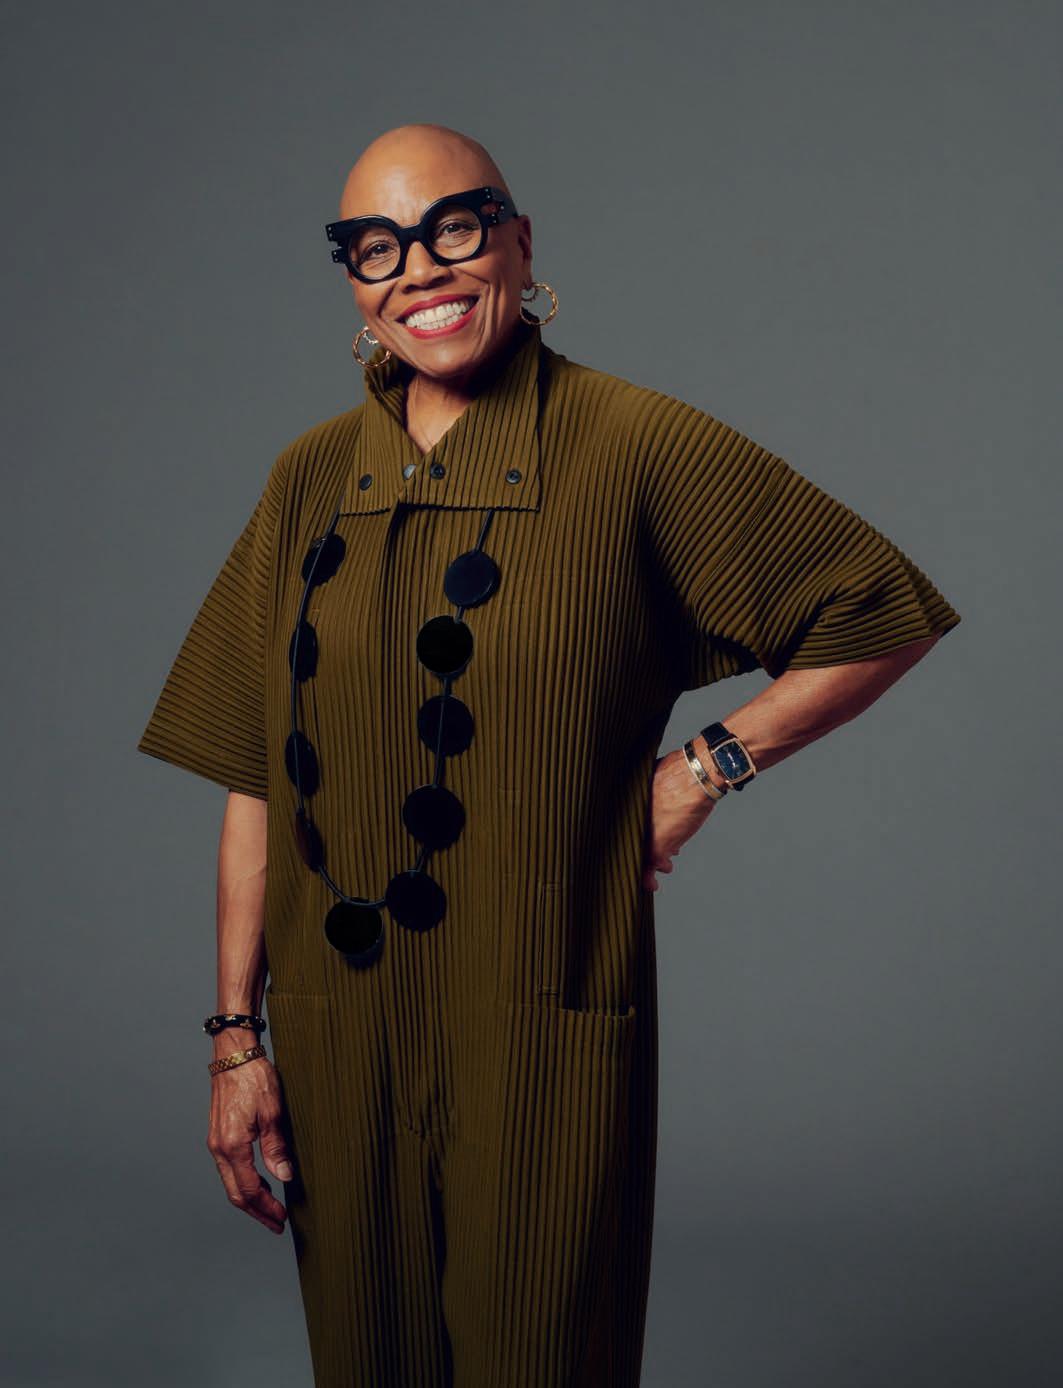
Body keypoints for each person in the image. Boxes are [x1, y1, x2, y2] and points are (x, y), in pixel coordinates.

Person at [136, 122, 961, 1388]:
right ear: (353, 282)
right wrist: (235, 1041)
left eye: (452, 228)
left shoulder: (630, 444)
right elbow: (256, 769)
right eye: (376, 248)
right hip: (335, 1034)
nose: (419, 269)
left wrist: (702, 770)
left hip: (539, 1017)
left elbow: (877, 609)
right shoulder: (308, 478)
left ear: (519, 243)